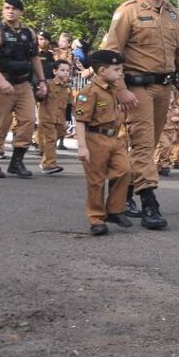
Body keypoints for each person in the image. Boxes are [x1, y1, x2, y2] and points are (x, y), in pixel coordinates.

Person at [101, 0, 179, 229]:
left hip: (163, 89)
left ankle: (123, 196)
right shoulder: (128, 11)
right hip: (136, 88)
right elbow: (112, 53)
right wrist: (120, 89)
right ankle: (149, 203)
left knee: (148, 145)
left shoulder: (175, 16)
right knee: (143, 144)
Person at [0, 0, 46, 178]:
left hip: (23, 84)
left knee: (28, 121)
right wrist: (1, 80)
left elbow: (34, 58)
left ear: (21, 12)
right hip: (2, 85)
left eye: (14, 8)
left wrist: (42, 81)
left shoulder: (29, 33)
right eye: (7, 8)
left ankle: (16, 162)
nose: (10, 11)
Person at [74, 50, 132, 235]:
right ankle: (96, 218)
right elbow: (80, 120)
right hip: (95, 139)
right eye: (117, 69)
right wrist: (82, 146)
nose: (120, 73)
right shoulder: (89, 92)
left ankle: (115, 210)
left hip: (114, 138)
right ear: (102, 71)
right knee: (96, 180)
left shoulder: (113, 89)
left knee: (124, 170)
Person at [36, 59, 73, 174]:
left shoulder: (68, 88)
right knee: (50, 139)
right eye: (62, 70)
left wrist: (67, 119)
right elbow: (40, 98)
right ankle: (50, 164)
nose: (65, 73)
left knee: (57, 137)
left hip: (60, 118)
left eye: (67, 70)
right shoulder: (48, 84)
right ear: (55, 71)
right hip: (47, 117)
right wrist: (40, 94)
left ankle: (45, 160)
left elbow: (69, 105)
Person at [155, 93, 179, 177]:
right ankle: (156, 164)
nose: (170, 98)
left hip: (172, 130)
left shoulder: (177, 108)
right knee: (165, 146)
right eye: (168, 96)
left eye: (171, 97)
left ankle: (163, 165)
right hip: (162, 130)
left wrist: (178, 119)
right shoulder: (160, 107)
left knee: (169, 148)